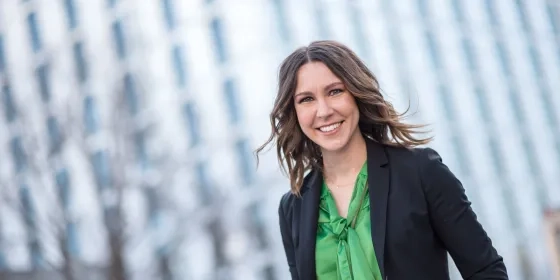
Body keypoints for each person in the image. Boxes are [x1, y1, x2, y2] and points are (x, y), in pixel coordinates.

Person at [255, 40, 508, 280]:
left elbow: (486, 271)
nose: (324, 111)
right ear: (294, 111)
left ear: (356, 93)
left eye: (335, 91)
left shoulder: (421, 171)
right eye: (306, 99)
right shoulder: (292, 208)